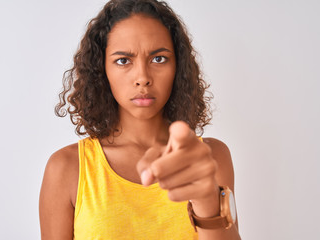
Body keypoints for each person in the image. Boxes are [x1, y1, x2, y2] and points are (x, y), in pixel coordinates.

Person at [39, 0, 241, 239]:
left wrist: (207, 201)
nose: (143, 78)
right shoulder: (66, 168)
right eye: (123, 60)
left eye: (159, 59)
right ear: (102, 70)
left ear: (179, 67)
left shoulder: (211, 157)